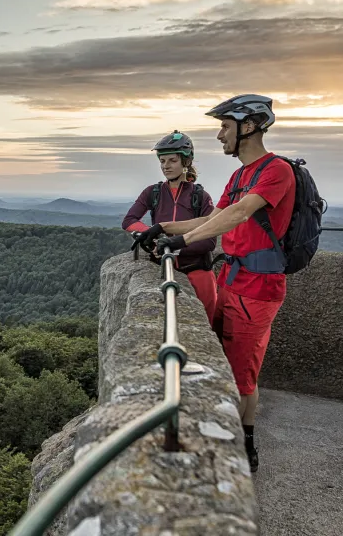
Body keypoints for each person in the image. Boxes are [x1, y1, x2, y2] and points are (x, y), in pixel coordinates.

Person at [148, 94, 296, 473]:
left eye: (225, 127)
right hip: (229, 278)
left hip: (257, 289)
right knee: (222, 360)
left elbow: (239, 213)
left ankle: (241, 443)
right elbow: (211, 219)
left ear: (250, 126)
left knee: (242, 372)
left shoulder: (277, 171)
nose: (219, 135)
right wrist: (163, 228)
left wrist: (182, 242)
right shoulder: (240, 175)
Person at [122, 130, 218, 325]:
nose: (166, 166)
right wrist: (152, 236)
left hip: (197, 271)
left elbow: (209, 240)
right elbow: (129, 220)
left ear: (186, 161)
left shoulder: (200, 196)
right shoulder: (153, 192)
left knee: (207, 326)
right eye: (162, 161)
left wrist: (175, 246)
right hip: (162, 267)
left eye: (172, 160)